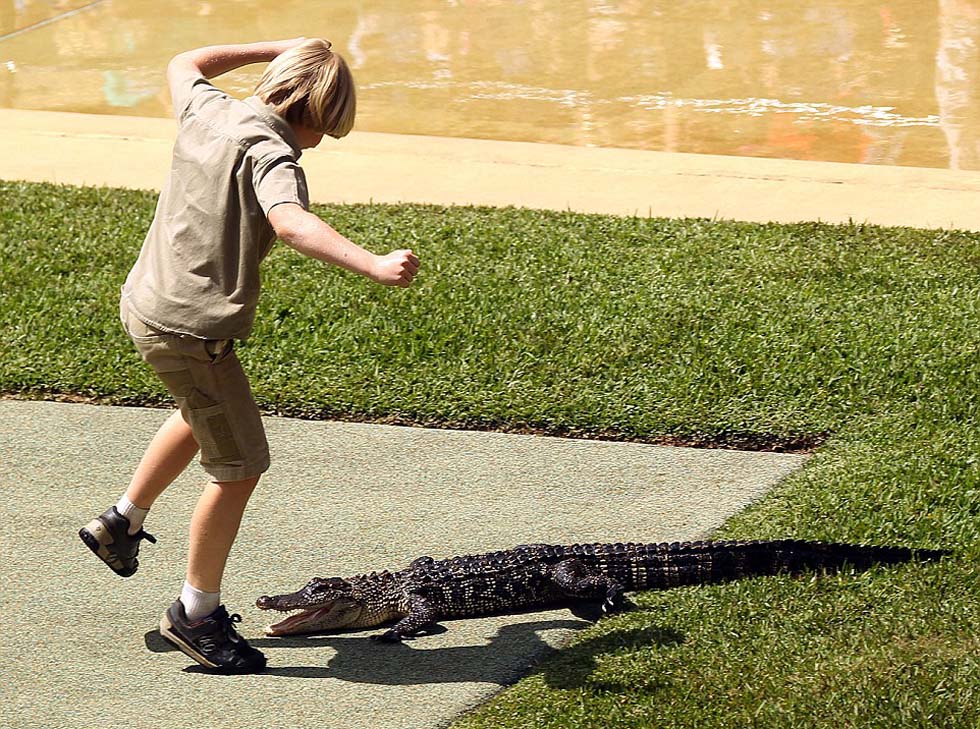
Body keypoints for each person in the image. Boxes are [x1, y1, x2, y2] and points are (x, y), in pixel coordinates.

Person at [78, 37, 419, 674]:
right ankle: (196, 614)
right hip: (189, 331)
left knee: (199, 409)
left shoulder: (207, 109)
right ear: (316, 113)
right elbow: (290, 223)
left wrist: (276, 46)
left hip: (148, 305)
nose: (322, 142)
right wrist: (372, 263)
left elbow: (184, 62)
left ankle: (121, 522)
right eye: (327, 129)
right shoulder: (273, 153)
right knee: (237, 467)